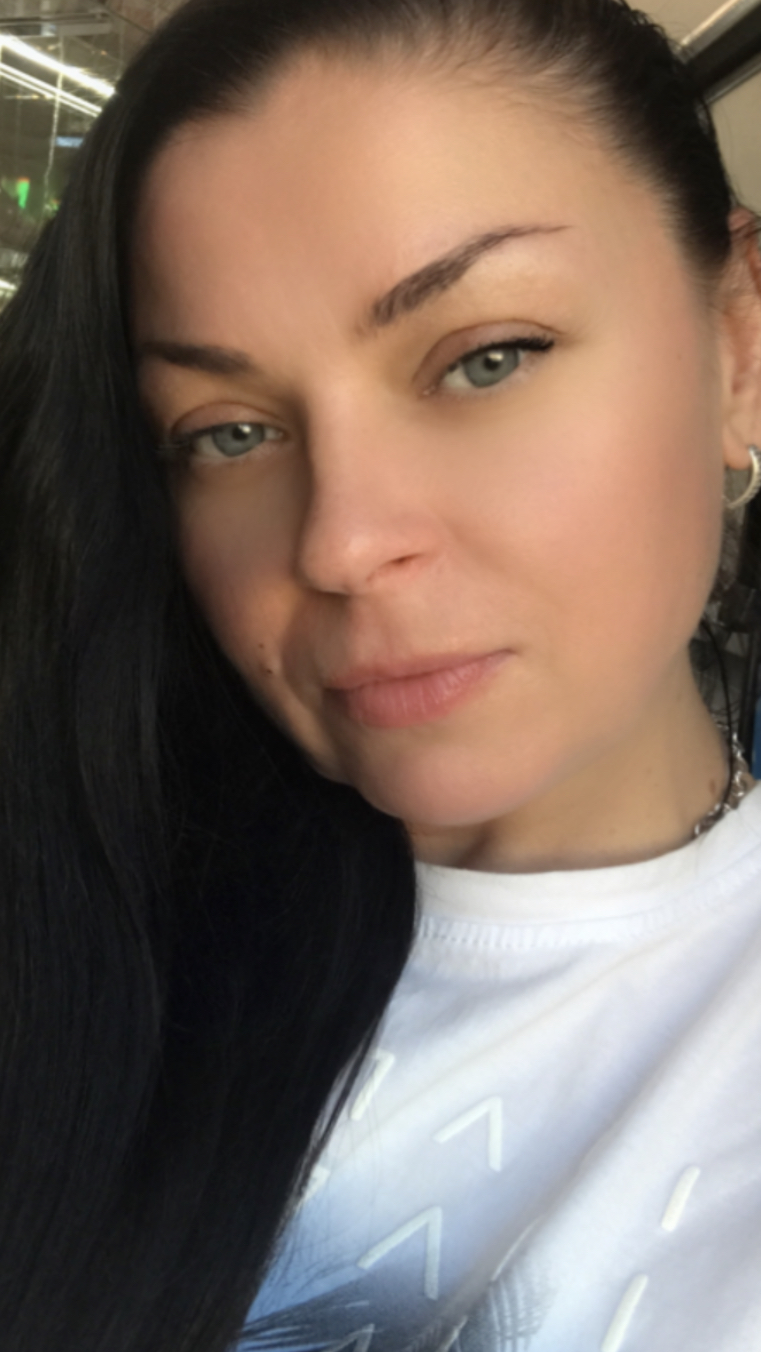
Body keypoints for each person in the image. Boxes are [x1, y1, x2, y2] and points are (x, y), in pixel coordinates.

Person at [1, 0, 761, 1347]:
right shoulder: (70, 918)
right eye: (227, 433)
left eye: (485, 359)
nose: (342, 545)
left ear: (739, 345)